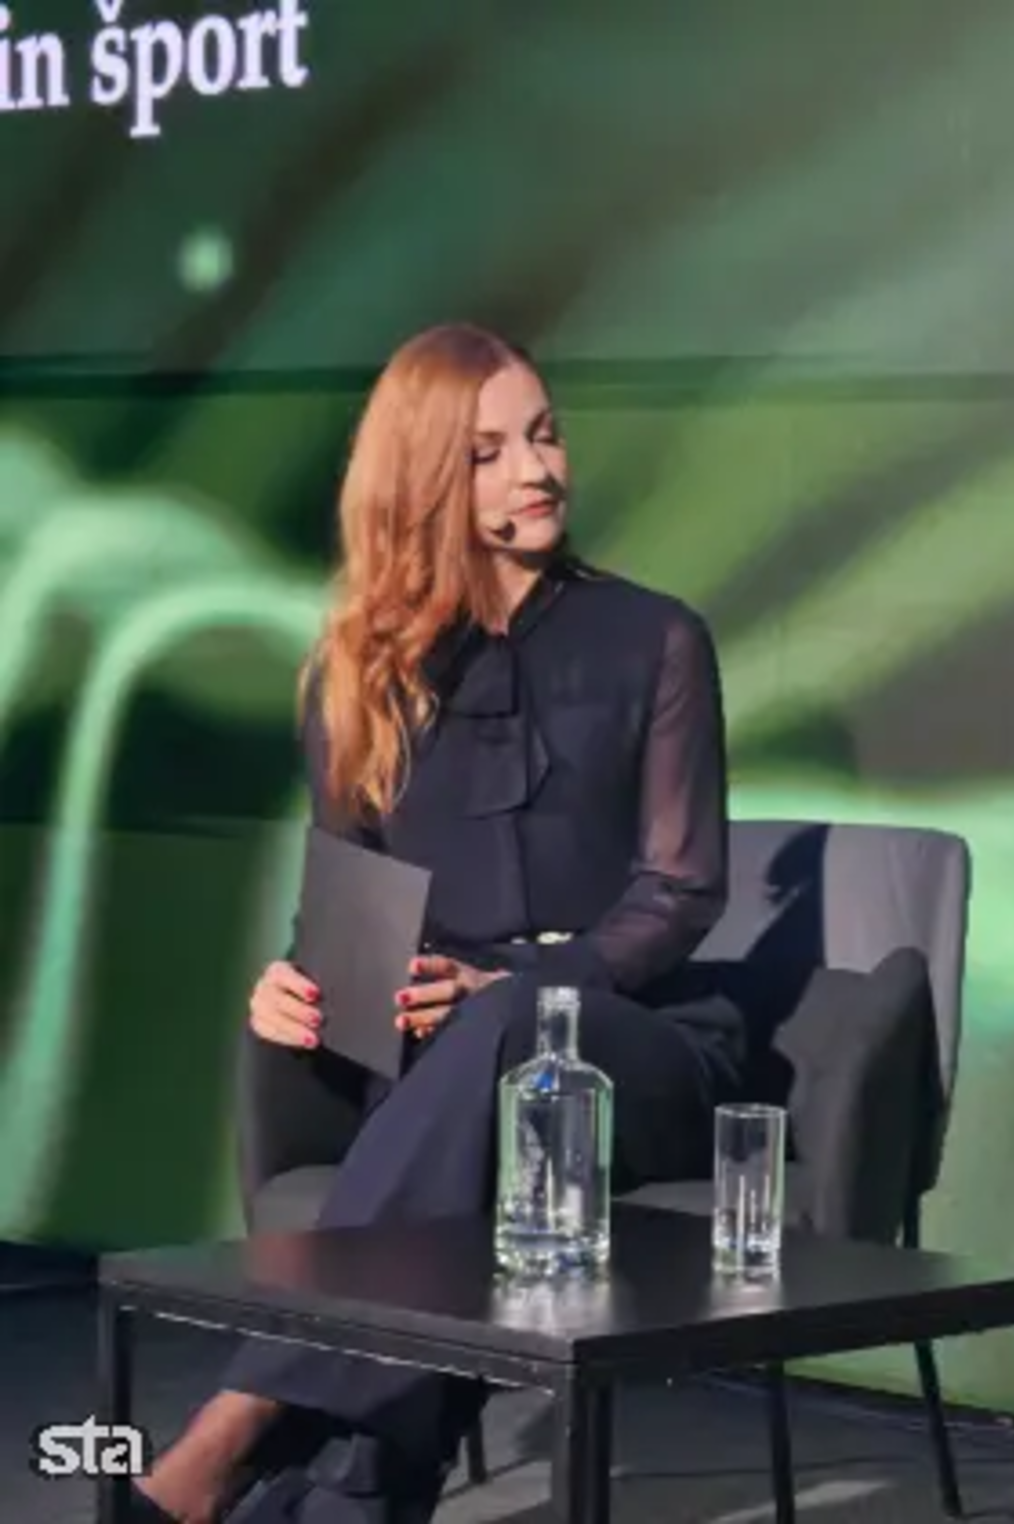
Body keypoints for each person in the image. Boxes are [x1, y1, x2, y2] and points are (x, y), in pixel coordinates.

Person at [133, 324, 740, 1523]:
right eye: (489, 453)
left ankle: (235, 1422)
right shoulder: (355, 672)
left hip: (638, 1052)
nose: (539, 470)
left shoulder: (657, 638)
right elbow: (346, 916)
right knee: (466, 1101)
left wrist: (519, 984)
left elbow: (680, 894)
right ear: (421, 481)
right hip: (436, 1071)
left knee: (511, 1030)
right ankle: (347, 1497)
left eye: (544, 435)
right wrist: (297, 984)